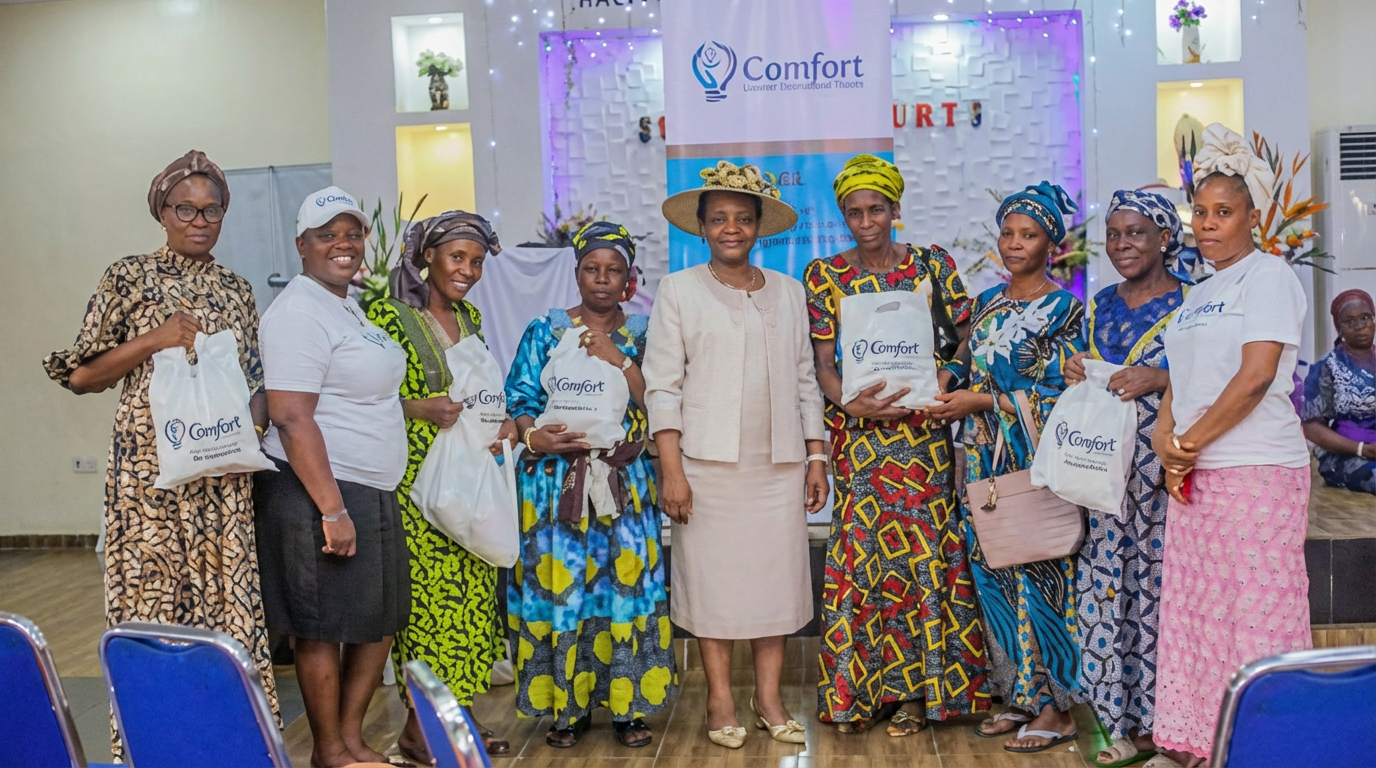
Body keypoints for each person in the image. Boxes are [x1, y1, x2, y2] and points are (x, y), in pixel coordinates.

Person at [42, 151, 278, 757]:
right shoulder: (128, 276)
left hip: (222, 481)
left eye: (212, 210)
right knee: (152, 609)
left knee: (229, 617)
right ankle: (151, 747)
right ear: (162, 212)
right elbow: (82, 377)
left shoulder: (236, 288)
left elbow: (253, 383)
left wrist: (248, 435)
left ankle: (230, 746)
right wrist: (155, 339)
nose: (199, 220)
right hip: (150, 479)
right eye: (185, 208)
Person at [804, 154, 990, 736]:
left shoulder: (933, 266)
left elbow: (966, 337)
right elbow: (823, 365)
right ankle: (862, 693)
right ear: (843, 216)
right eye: (854, 212)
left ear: (895, 210)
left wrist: (948, 380)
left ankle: (917, 695)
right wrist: (845, 403)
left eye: (876, 210)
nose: (865, 221)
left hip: (922, 439)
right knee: (863, 561)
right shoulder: (824, 275)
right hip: (861, 443)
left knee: (922, 563)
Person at [644, 161, 828, 749]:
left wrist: (817, 456)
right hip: (705, 466)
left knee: (773, 584)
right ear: (700, 228)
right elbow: (662, 386)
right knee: (715, 585)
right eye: (718, 218)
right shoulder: (678, 290)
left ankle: (769, 697)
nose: (731, 228)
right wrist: (671, 470)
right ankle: (721, 697)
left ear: (759, 228)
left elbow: (806, 381)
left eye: (742, 219)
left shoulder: (790, 291)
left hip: (778, 467)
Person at [1151, 124, 1312, 768]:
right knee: (1199, 616)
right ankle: (1197, 744)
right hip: (1196, 474)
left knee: (1256, 613)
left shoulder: (1268, 275)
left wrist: (1188, 441)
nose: (1209, 224)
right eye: (1201, 211)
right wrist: (1167, 438)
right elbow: (1180, 380)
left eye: (1224, 212)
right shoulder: (1200, 293)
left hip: (1256, 472)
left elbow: (1256, 377)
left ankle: (1266, 746)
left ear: (1253, 216)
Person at [926, 181, 1087, 754]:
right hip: (982, 463)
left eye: (1029, 235)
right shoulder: (989, 303)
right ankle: (1019, 695)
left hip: (1034, 463)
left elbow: (1067, 395)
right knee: (993, 575)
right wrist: (949, 379)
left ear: (1052, 245)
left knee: (1041, 577)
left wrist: (986, 403)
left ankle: (1056, 709)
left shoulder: (1066, 311)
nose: (1014, 244)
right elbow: (968, 360)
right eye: (1008, 233)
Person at [254, 187, 411, 768]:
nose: (342, 244)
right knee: (320, 625)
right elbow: (292, 416)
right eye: (327, 234)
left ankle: (348, 738)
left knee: (378, 620)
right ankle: (328, 748)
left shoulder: (346, 305)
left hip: (369, 485)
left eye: (352, 233)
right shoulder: (297, 311)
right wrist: (331, 508)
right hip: (317, 490)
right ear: (301, 245)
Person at [504, 221, 675, 750]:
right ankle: (566, 708)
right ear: (576, 273)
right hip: (554, 485)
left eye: (614, 270)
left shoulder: (648, 333)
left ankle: (628, 708)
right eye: (591, 269)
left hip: (625, 482)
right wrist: (534, 437)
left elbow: (662, 403)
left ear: (630, 278)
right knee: (562, 593)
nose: (601, 280)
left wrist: (619, 360)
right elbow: (519, 400)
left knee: (624, 592)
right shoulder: (546, 330)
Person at [366, 210, 515, 760]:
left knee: (474, 601)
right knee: (430, 608)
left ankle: (459, 719)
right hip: (417, 487)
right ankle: (417, 730)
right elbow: (360, 398)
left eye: (476, 262)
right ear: (427, 256)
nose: (468, 270)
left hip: (470, 478)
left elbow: (481, 393)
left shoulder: (470, 317)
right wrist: (416, 407)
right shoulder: (387, 316)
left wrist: (501, 423)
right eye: (457, 258)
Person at [1063, 189, 1190, 767]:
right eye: (1114, 235)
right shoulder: (1101, 304)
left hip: (1163, 474)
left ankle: (1164, 724)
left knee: (1159, 595)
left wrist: (1158, 377)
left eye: (1135, 233)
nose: (1122, 245)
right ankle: (1115, 722)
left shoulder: (1194, 303)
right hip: (1101, 474)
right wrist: (1078, 371)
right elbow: (1097, 376)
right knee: (1105, 592)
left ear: (1165, 238)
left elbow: (1217, 378)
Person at [1302, 289, 1376, 494]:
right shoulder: (1327, 366)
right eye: (1350, 321)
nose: (1360, 326)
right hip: (1345, 454)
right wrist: (1361, 448)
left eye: (1365, 318)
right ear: (1339, 329)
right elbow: (1312, 427)